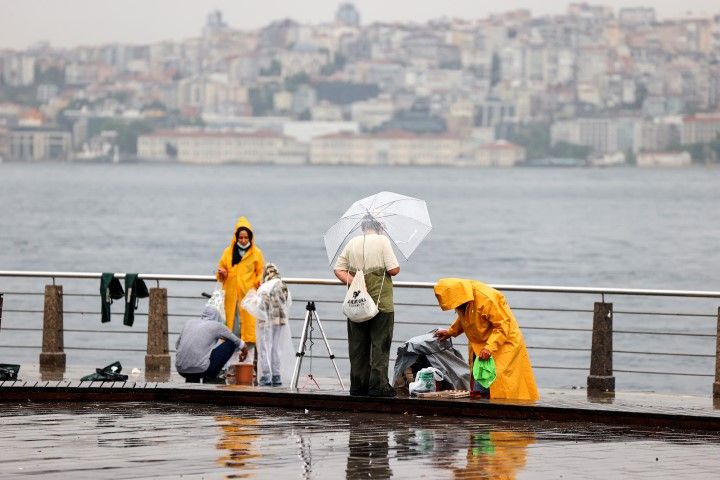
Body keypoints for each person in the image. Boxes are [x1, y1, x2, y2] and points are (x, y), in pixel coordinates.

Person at [433, 278, 539, 401]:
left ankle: (503, 410)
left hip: (503, 342)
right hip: (482, 346)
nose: (456, 308)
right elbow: (467, 316)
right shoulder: (464, 300)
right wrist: (452, 331)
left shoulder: (487, 298)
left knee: (501, 380)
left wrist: (489, 347)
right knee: (483, 379)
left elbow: (503, 325)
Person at [334, 215, 400, 397]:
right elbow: (394, 269)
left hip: (358, 302)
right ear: (379, 226)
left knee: (357, 346)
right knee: (380, 344)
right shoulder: (382, 241)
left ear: (363, 227)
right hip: (381, 303)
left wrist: (354, 280)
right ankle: (378, 386)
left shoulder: (352, 242)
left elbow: (338, 269)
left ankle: (358, 386)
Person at [216, 216, 265, 360]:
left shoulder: (256, 253)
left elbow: (260, 273)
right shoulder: (228, 252)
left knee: (249, 330)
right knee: (231, 330)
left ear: (250, 237)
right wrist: (222, 274)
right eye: (241, 237)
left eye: (246, 237)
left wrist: (259, 283)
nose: (243, 240)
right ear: (236, 237)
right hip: (231, 298)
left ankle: (247, 364)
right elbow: (221, 270)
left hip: (248, 298)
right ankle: (230, 364)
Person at [175, 305, 248, 383]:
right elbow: (239, 343)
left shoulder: (189, 323)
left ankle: (192, 380)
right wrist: (244, 353)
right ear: (217, 316)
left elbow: (177, 345)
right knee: (231, 343)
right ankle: (210, 378)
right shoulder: (217, 326)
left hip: (181, 370)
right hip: (201, 370)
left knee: (199, 355)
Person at [255, 263, 293, 387]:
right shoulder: (282, 285)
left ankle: (266, 376)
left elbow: (260, 306)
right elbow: (288, 303)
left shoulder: (265, 286)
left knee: (265, 348)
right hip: (280, 320)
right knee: (276, 348)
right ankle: (276, 376)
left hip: (266, 322)